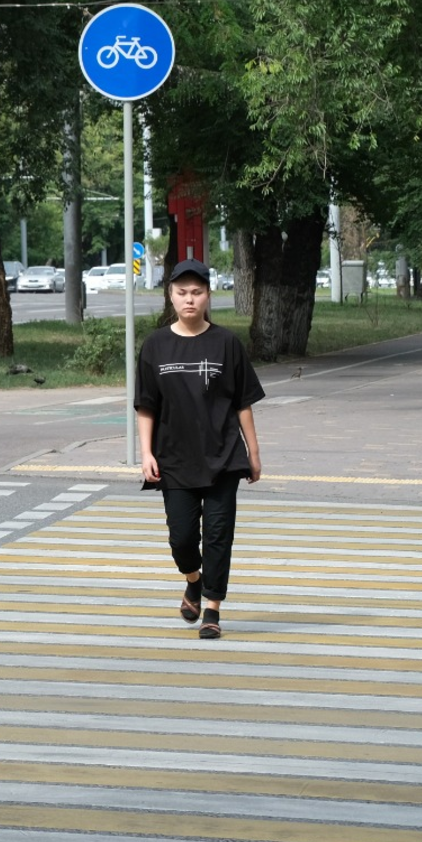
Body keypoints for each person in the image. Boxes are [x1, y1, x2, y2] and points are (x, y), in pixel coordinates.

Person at [134, 258, 264, 640]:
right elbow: (146, 405)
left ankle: (212, 609)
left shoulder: (226, 343)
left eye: (197, 292)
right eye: (181, 292)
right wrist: (146, 453)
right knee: (183, 539)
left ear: (208, 295)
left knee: (220, 535)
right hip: (174, 458)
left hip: (224, 456)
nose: (189, 299)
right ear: (170, 296)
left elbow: (243, 402)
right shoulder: (156, 345)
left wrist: (253, 455)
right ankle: (193, 579)